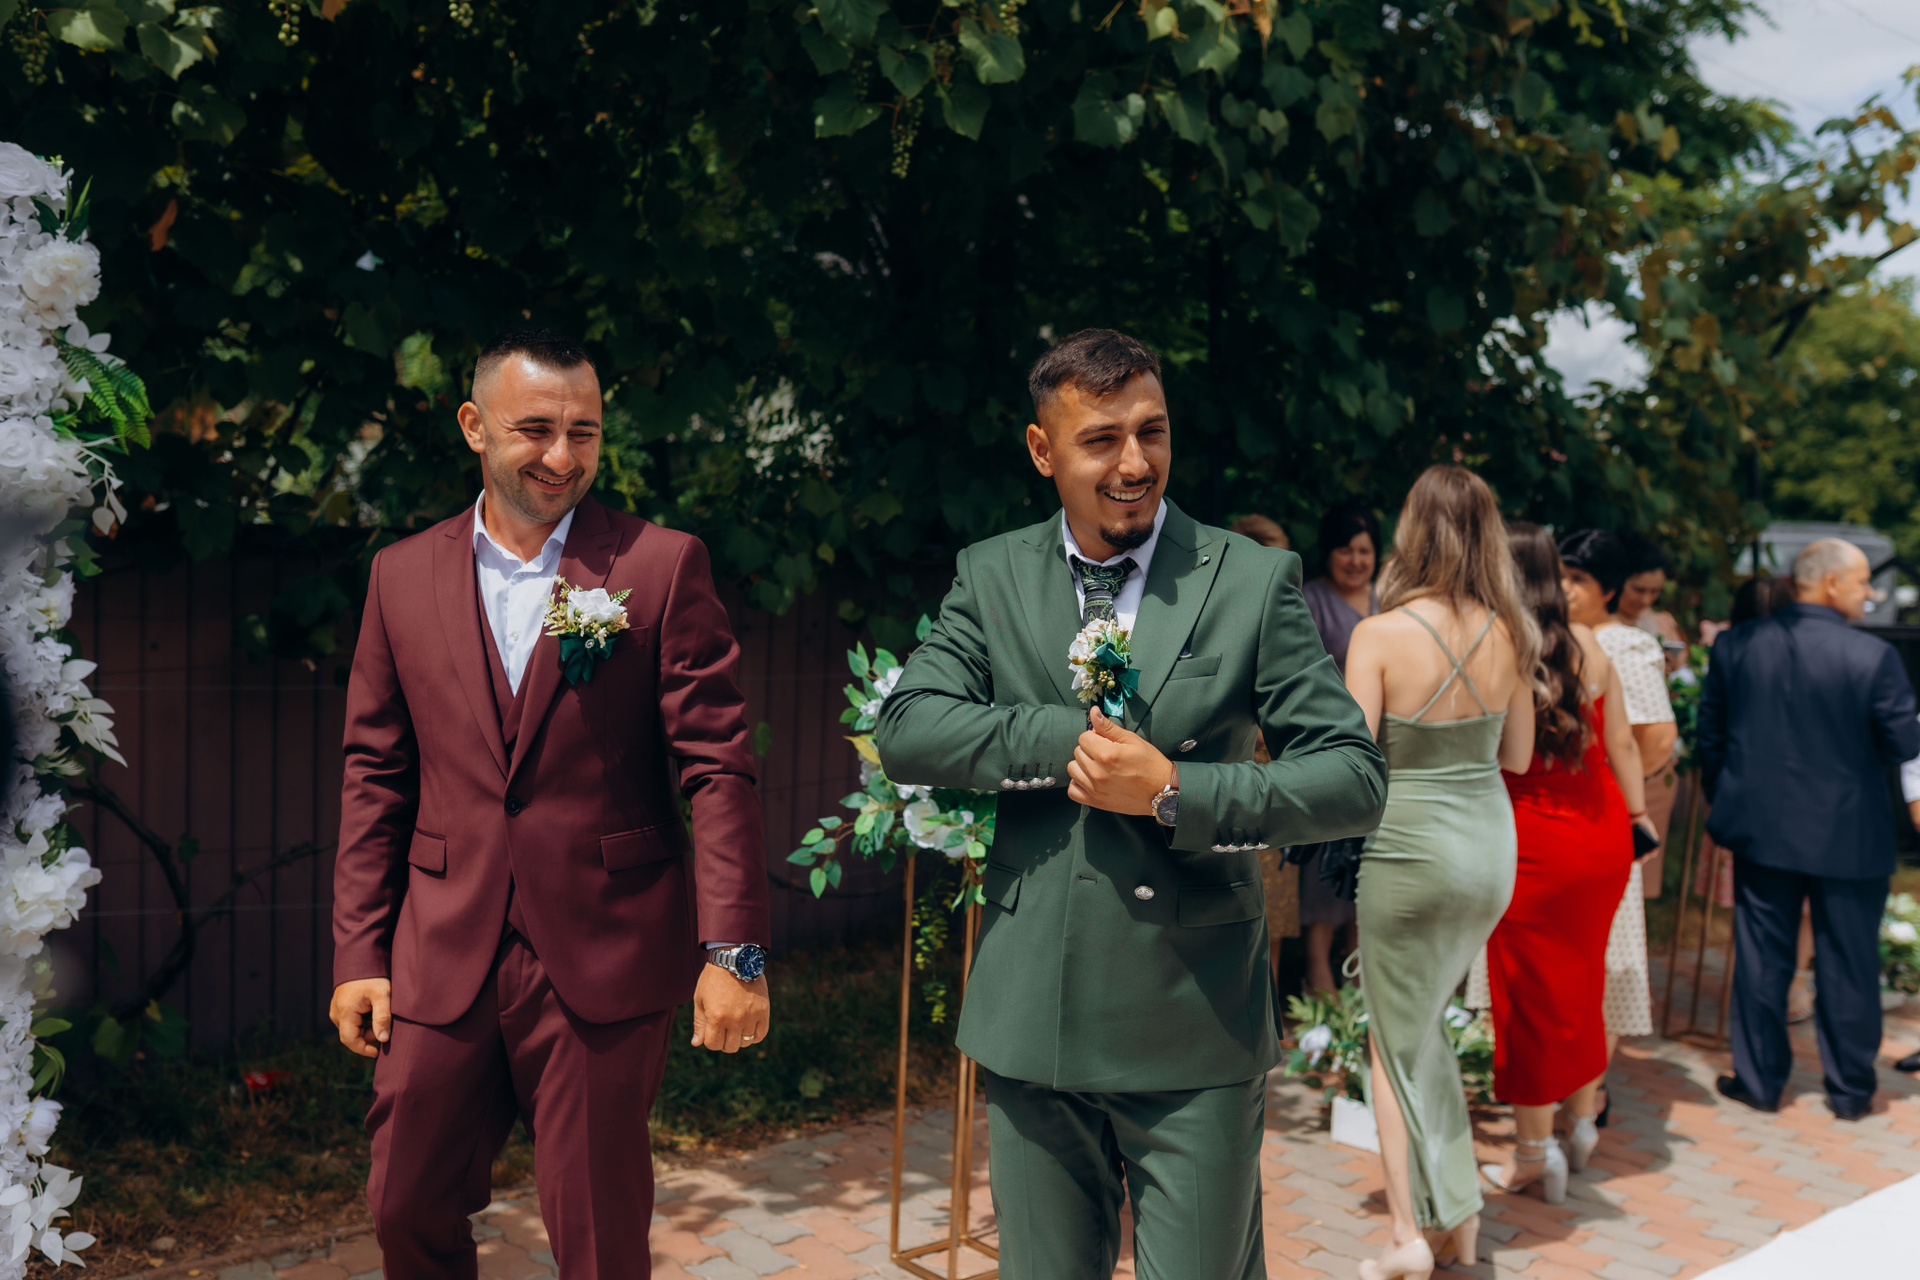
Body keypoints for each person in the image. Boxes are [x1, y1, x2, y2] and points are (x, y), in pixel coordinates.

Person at [875, 329, 1387, 1280]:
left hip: (1195, 1016)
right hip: (1036, 1010)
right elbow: (908, 727)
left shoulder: (1249, 578)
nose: (1135, 463)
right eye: (1101, 439)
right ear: (1043, 451)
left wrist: (1175, 791)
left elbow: (1353, 778)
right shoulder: (992, 572)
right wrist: (1067, 740)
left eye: (1152, 432)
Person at [328, 327, 772, 1280]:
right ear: (473, 426)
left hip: (604, 948)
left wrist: (733, 952)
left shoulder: (659, 565)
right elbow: (375, 774)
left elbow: (717, 768)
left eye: (585, 432)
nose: (562, 457)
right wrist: (359, 953)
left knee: (600, 1240)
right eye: (535, 429)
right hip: (443, 946)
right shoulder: (400, 575)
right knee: (404, 1205)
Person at [1342, 465, 1538, 1280]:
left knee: (1392, 1043)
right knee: (1426, 1030)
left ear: (1411, 531)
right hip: (1488, 850)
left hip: (1409, 850)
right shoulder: (1510, 632)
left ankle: (1405, 1236)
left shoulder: (1378, 634)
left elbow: (1351, 767)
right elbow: (1517, 756)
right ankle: (1461, 1221)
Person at [1697, 537, 1920, 1120]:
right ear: (1829, 583)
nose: (1870, 593)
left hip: (1760, 828)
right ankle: (1850, 1092)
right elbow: (1903, 742)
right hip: (1851, 831)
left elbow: (1710, 738)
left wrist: (1729, 800)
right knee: (1849, 963)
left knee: (1761, 958)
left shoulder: (1737, 645)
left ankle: (1759, 1083)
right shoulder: (1872, 657)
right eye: (1863, 581)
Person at [1482, 524, 1651, 1204]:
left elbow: (1504, 755)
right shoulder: (1591, 643)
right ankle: (1581, 1126)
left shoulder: (1505, 645)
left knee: (1525, 996)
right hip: (1603, 832)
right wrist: (1639, 818)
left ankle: (1533, 1152)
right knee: (1583, 985)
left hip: (1537, 839)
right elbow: (1623, 745)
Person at [1558, 529, 1670, 1124]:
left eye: (1577, 578)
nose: (1564, 588)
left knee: (1605, 963)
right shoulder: (1545, 636)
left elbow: (1656, 737)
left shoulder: (1625, 644)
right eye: (1559, 574)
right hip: (1545, 818)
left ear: (1607, 588)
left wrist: (1612, 786)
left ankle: (1590, 1094)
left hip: (1599, 818)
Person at [1296, 502, 1381, 994]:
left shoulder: (1390, 601)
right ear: (1327, 552)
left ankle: (1361, 980)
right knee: (1326, 860)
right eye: (1345, 550)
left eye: (1365, 550)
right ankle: (1318, 975)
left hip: (1383, 750)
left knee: (1371, 864)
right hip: (1328, 746)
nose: (1355, 560)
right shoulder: (1311, 600)